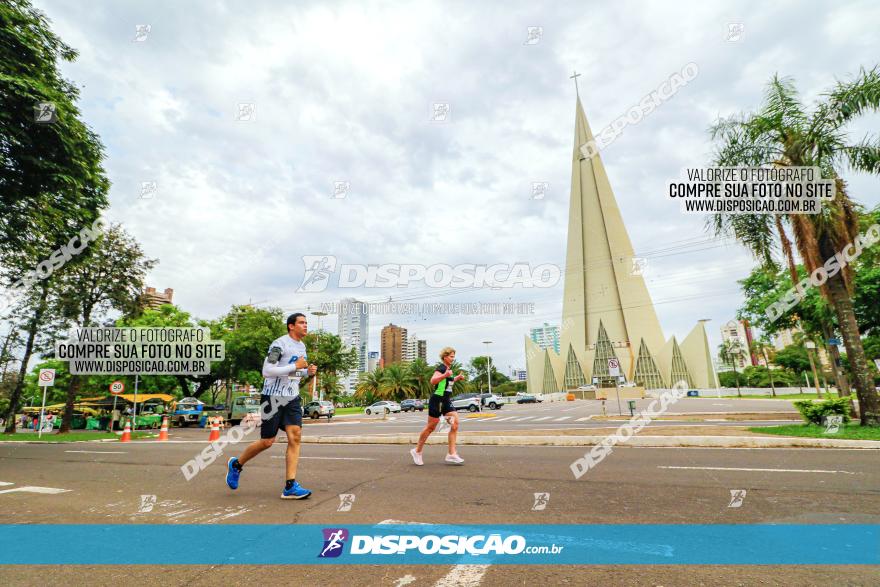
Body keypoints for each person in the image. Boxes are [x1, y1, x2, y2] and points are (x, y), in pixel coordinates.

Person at [226, 313, 317, 499]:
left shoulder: (302, 346)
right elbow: (267, 371)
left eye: (306, 323)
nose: (305, 326)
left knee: (295, 437)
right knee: (267, 441)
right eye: (302, 323)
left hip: (291, 398)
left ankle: (290, 486)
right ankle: (236, 465)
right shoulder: (279, 344)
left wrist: (306, 372)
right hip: (272, 398)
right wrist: (295, 366)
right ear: (291, 326)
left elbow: (292, 376)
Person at [410, 347, 466, 466]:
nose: (453, 359)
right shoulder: (441, 368)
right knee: (430, 428)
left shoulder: (447, 369)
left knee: (455, 423)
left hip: (446, 400)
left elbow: (446, 384)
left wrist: (456, 378)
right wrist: (445, 374)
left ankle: (451, 454)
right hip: (437, 400)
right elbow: (433, 381)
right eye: (451, 356)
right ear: (445, 357)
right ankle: (417, 451)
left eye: (453, 357)